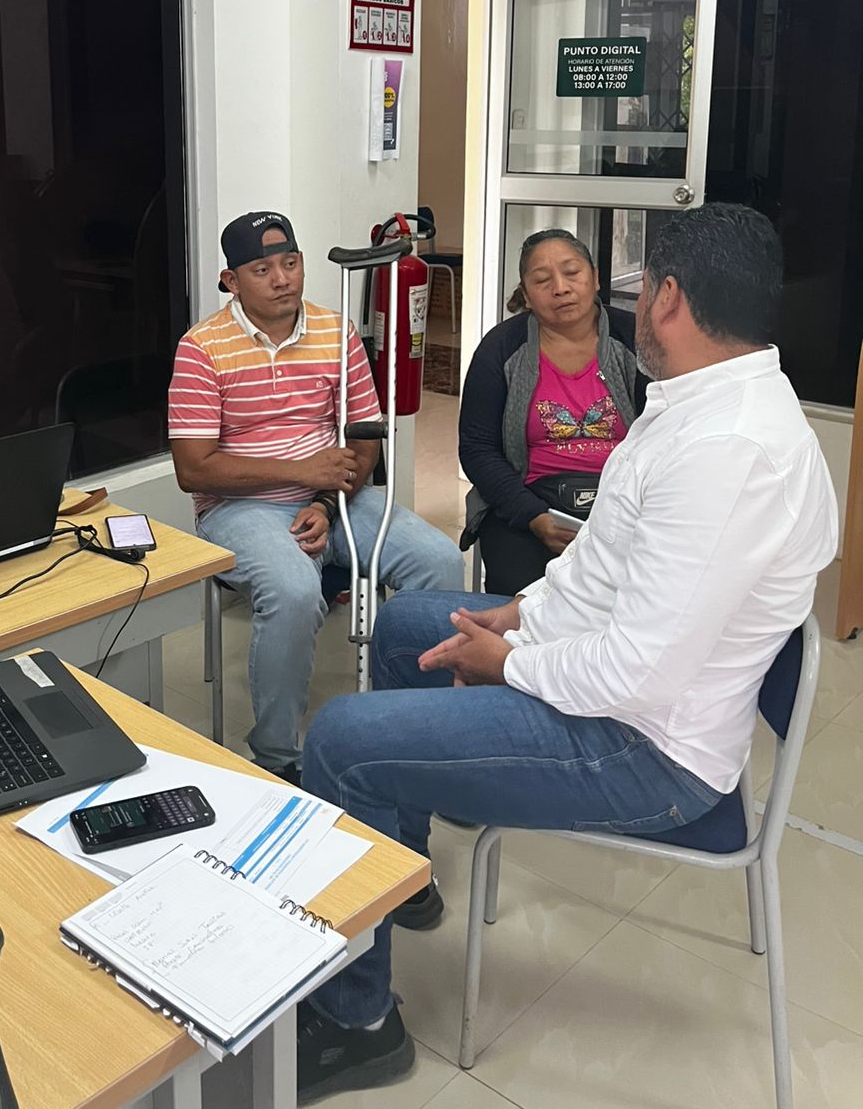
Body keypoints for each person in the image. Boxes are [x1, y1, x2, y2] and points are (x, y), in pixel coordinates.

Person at [293, 203, 837, 1103]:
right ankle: (401, 869)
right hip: (619, 679)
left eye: (638, 285)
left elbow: (637, 673)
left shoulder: (729, 452)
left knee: (341, 742)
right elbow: (602, 565)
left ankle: (357, 1026)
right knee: (404, 626)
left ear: (668, 298)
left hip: (645, 750)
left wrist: (507, 664)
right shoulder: (693, 399)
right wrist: (518, 615)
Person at [168, 211, 464, 781]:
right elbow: (193, 470)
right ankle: (278, 759)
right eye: (262, 269)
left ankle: (407, 733)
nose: (282, 279)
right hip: (239, 509)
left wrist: (326, 501)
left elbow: (365, 439)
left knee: (441, 561)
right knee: (295, 590)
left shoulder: (336, 331)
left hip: (334, 499)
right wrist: (299, 469)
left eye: (291, 263)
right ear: (231, 281)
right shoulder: (201, 348)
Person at [458, 228, 643, 590]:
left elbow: (671, 431)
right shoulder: (500, 348)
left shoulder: (636, 339)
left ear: (595, 278)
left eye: (572, 272)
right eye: (542, 280)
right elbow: (477, 449)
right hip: (530, 503)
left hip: (626, 502)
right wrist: (533, 515)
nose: (560, 288)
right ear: (526, 295)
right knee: (520, 602)